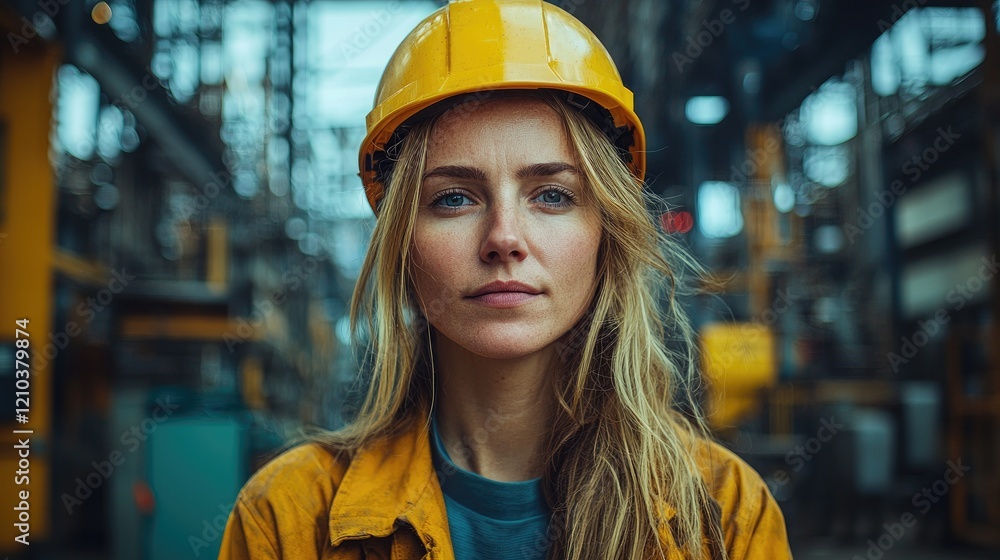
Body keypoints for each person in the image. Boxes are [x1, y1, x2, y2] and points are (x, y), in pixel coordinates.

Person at [218, 1, 793, 559]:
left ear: (605, 233)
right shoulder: (286, 521)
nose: (504, 237)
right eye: (453, 198)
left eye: (551, 195)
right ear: (402, 244)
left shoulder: (724, 516)